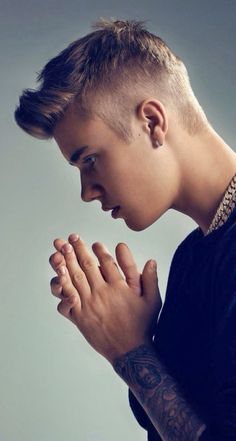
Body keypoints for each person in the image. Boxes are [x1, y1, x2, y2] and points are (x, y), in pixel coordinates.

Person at [14, 19, 236, 441]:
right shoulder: (194, 254)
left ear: (152, 121)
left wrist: (129, 351)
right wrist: (140, 345)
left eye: (90, 159)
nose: (87, 191)